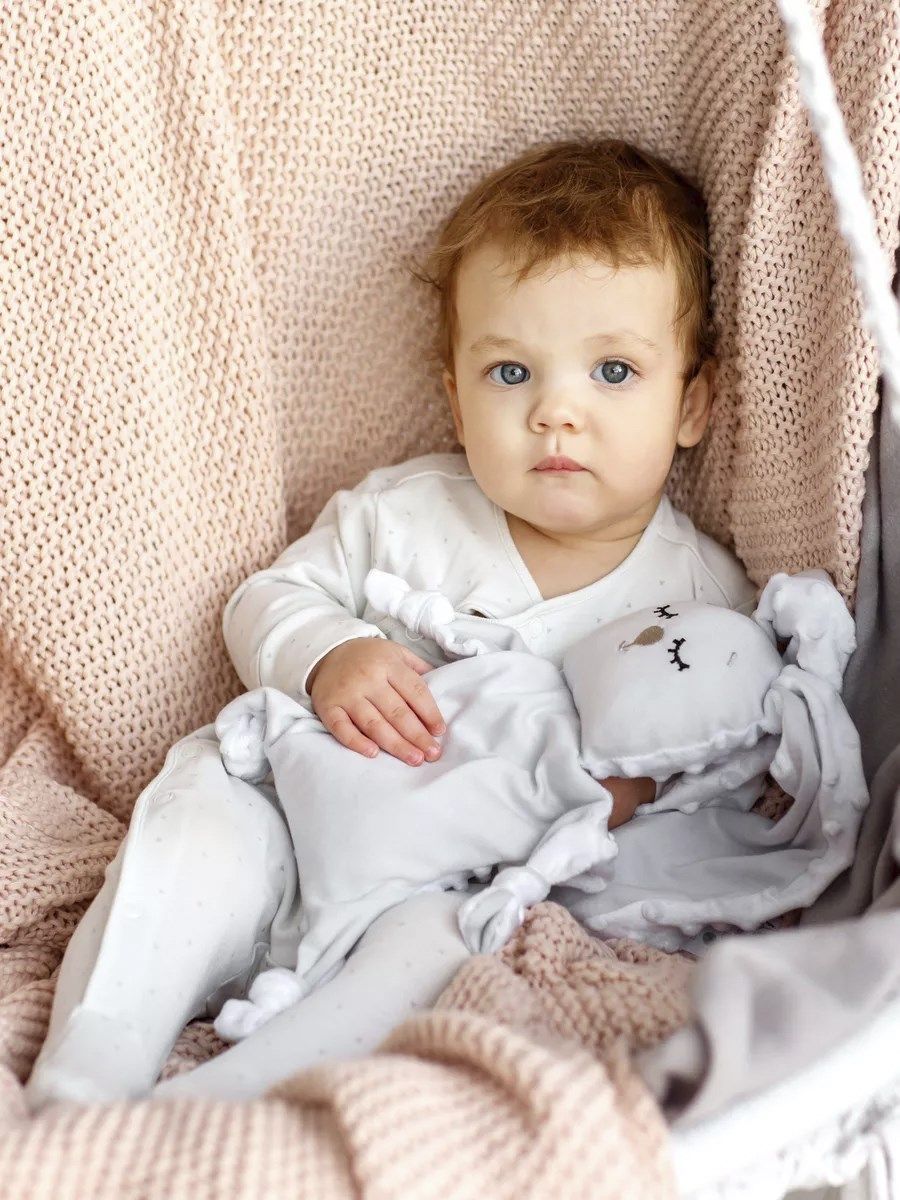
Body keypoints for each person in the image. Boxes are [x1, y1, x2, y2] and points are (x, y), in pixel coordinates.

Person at [25, 138, 757, 1109]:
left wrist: (635, 794)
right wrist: (333, 651)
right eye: (510, 373)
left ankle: (225, 1104)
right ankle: (87, 1072)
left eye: (613, 371)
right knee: (192, 834)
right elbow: (263, 599)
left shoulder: (700, 600)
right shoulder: (404, 513)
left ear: (693, 403)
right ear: (455, 397)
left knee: (442, 950)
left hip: (448, 881)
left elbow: (732, 759)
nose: (557, 412)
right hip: (290, 805)